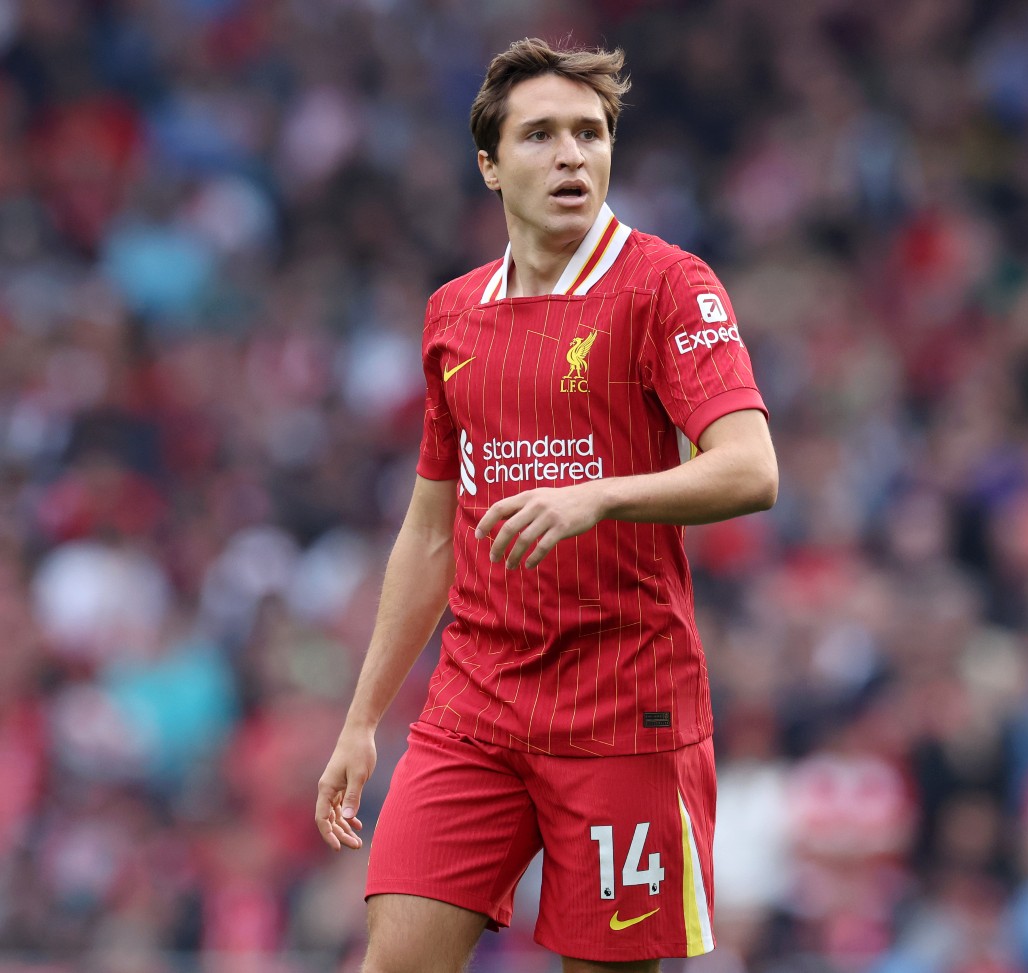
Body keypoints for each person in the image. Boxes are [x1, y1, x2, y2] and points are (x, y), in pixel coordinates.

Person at [315, 36, 778, 973]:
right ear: (489, 165)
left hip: (623, 712)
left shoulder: (668, 287)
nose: (572, 155)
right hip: (474, 710)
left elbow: (751, 469)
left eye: (590, 132)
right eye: (540, 135)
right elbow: (431, 530)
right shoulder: (453, 313)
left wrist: (597, 497)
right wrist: (363, 718)